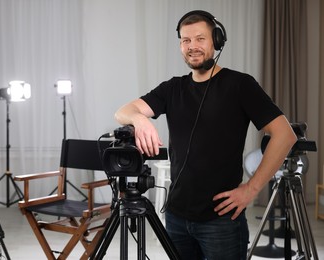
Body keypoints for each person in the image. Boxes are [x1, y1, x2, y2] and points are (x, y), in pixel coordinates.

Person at [114, 10, 297, 260]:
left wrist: (252, 189)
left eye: (200, 39)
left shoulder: (240, 84)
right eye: (186, 40)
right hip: (176, 217)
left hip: (221, 220)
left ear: (216, 41)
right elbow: (123, 111)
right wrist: (138, 118)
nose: (192, 47)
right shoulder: (172, 88)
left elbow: (284, 135)